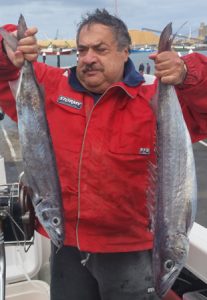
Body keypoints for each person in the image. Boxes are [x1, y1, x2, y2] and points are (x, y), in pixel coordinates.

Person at [1, 9, 207, 300]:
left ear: (126, 52)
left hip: (132, 251)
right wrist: (10, 47)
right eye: (82, 49)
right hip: (67, 246)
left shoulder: (154, 96)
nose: (87, 58)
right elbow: (4, 71)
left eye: (100, 49)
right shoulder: (50, 86)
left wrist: (189, 73)